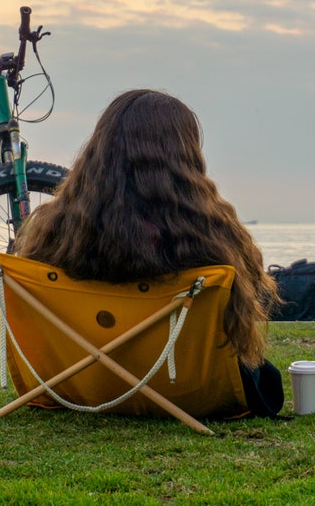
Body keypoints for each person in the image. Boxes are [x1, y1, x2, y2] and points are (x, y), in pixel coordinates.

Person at [15, 89, 284, 417]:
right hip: (185, 390)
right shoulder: (210, 235)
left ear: (100, 148)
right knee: (266, 378)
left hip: (79, 383)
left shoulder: (56, 228)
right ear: (185, 155)